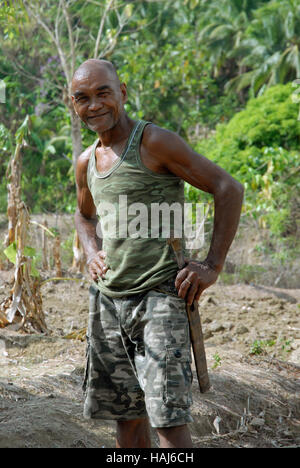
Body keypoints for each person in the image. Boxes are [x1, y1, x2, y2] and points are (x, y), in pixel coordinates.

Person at [71, 58, 244, 448]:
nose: (94, 105)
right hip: (107, 302)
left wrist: (212, 265)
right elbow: (83, 216)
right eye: (83, 98)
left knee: (167, 421)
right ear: (73, 104)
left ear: (123, 93)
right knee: (126, 419)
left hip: (159, 298)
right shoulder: (86, 162)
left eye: (103, 93)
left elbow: (227, 188)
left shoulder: (153, 143)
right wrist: (90, 251)